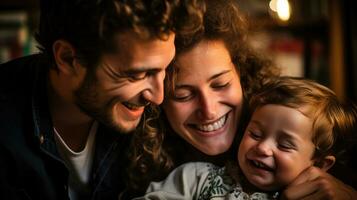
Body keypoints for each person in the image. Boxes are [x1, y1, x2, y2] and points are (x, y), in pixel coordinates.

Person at [128, 0, 357, 199]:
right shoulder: (181, 175)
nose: (209, 111)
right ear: (157, 98)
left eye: (221, 84)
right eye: (182, 95)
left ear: (241, 73)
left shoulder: (292, 121)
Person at [0, 0, 205, 200]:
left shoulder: (161, 110)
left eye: (165, 68)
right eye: (136, 75)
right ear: (68, 59)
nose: (159, 97)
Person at [134, 76, 357, 199]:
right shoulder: (197, 177)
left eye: (284, 144)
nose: (263, 148)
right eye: (255, 134)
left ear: (319, 164)